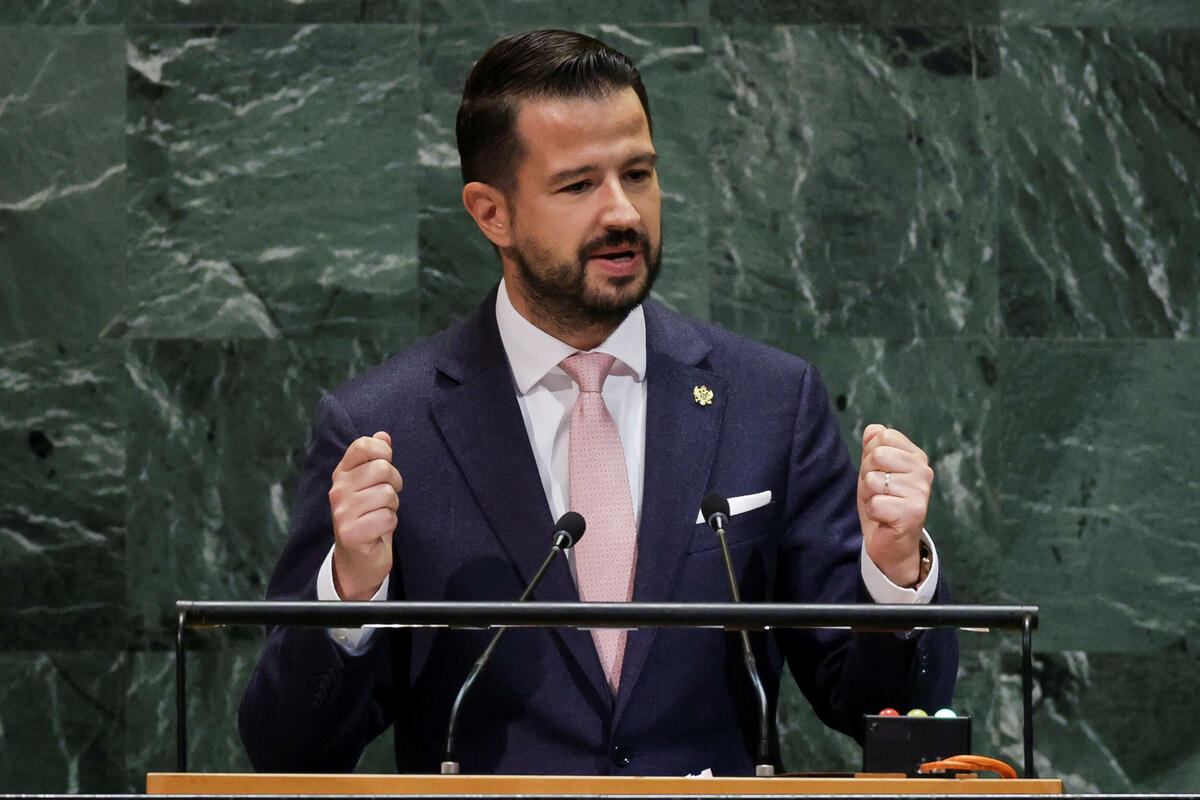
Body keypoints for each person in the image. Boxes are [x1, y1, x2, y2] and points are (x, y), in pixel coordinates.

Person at [239, 29, 957, 776]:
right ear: (492, 213)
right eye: (578, 185)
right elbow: (288, 750)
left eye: (638, 174)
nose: (623, 213)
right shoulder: (387, 428)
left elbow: (883, 714)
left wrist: (895, 574)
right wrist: (350, 595)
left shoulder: (769, 402)